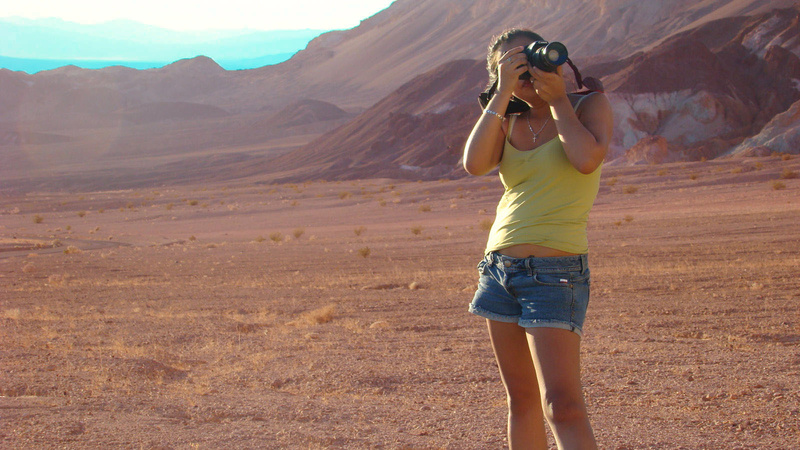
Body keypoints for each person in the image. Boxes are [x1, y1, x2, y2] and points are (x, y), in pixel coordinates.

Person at [463, 28, 613, 450]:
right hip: (499, 269)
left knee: (562, 405)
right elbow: (474, 165)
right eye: (513, 66)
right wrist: (500, 94)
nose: (527, 72)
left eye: (530, 60)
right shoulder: (507, 117)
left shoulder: (588, 105)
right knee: (522, 401)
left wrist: (559, 97)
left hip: (556, 272)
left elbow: (585, 159)